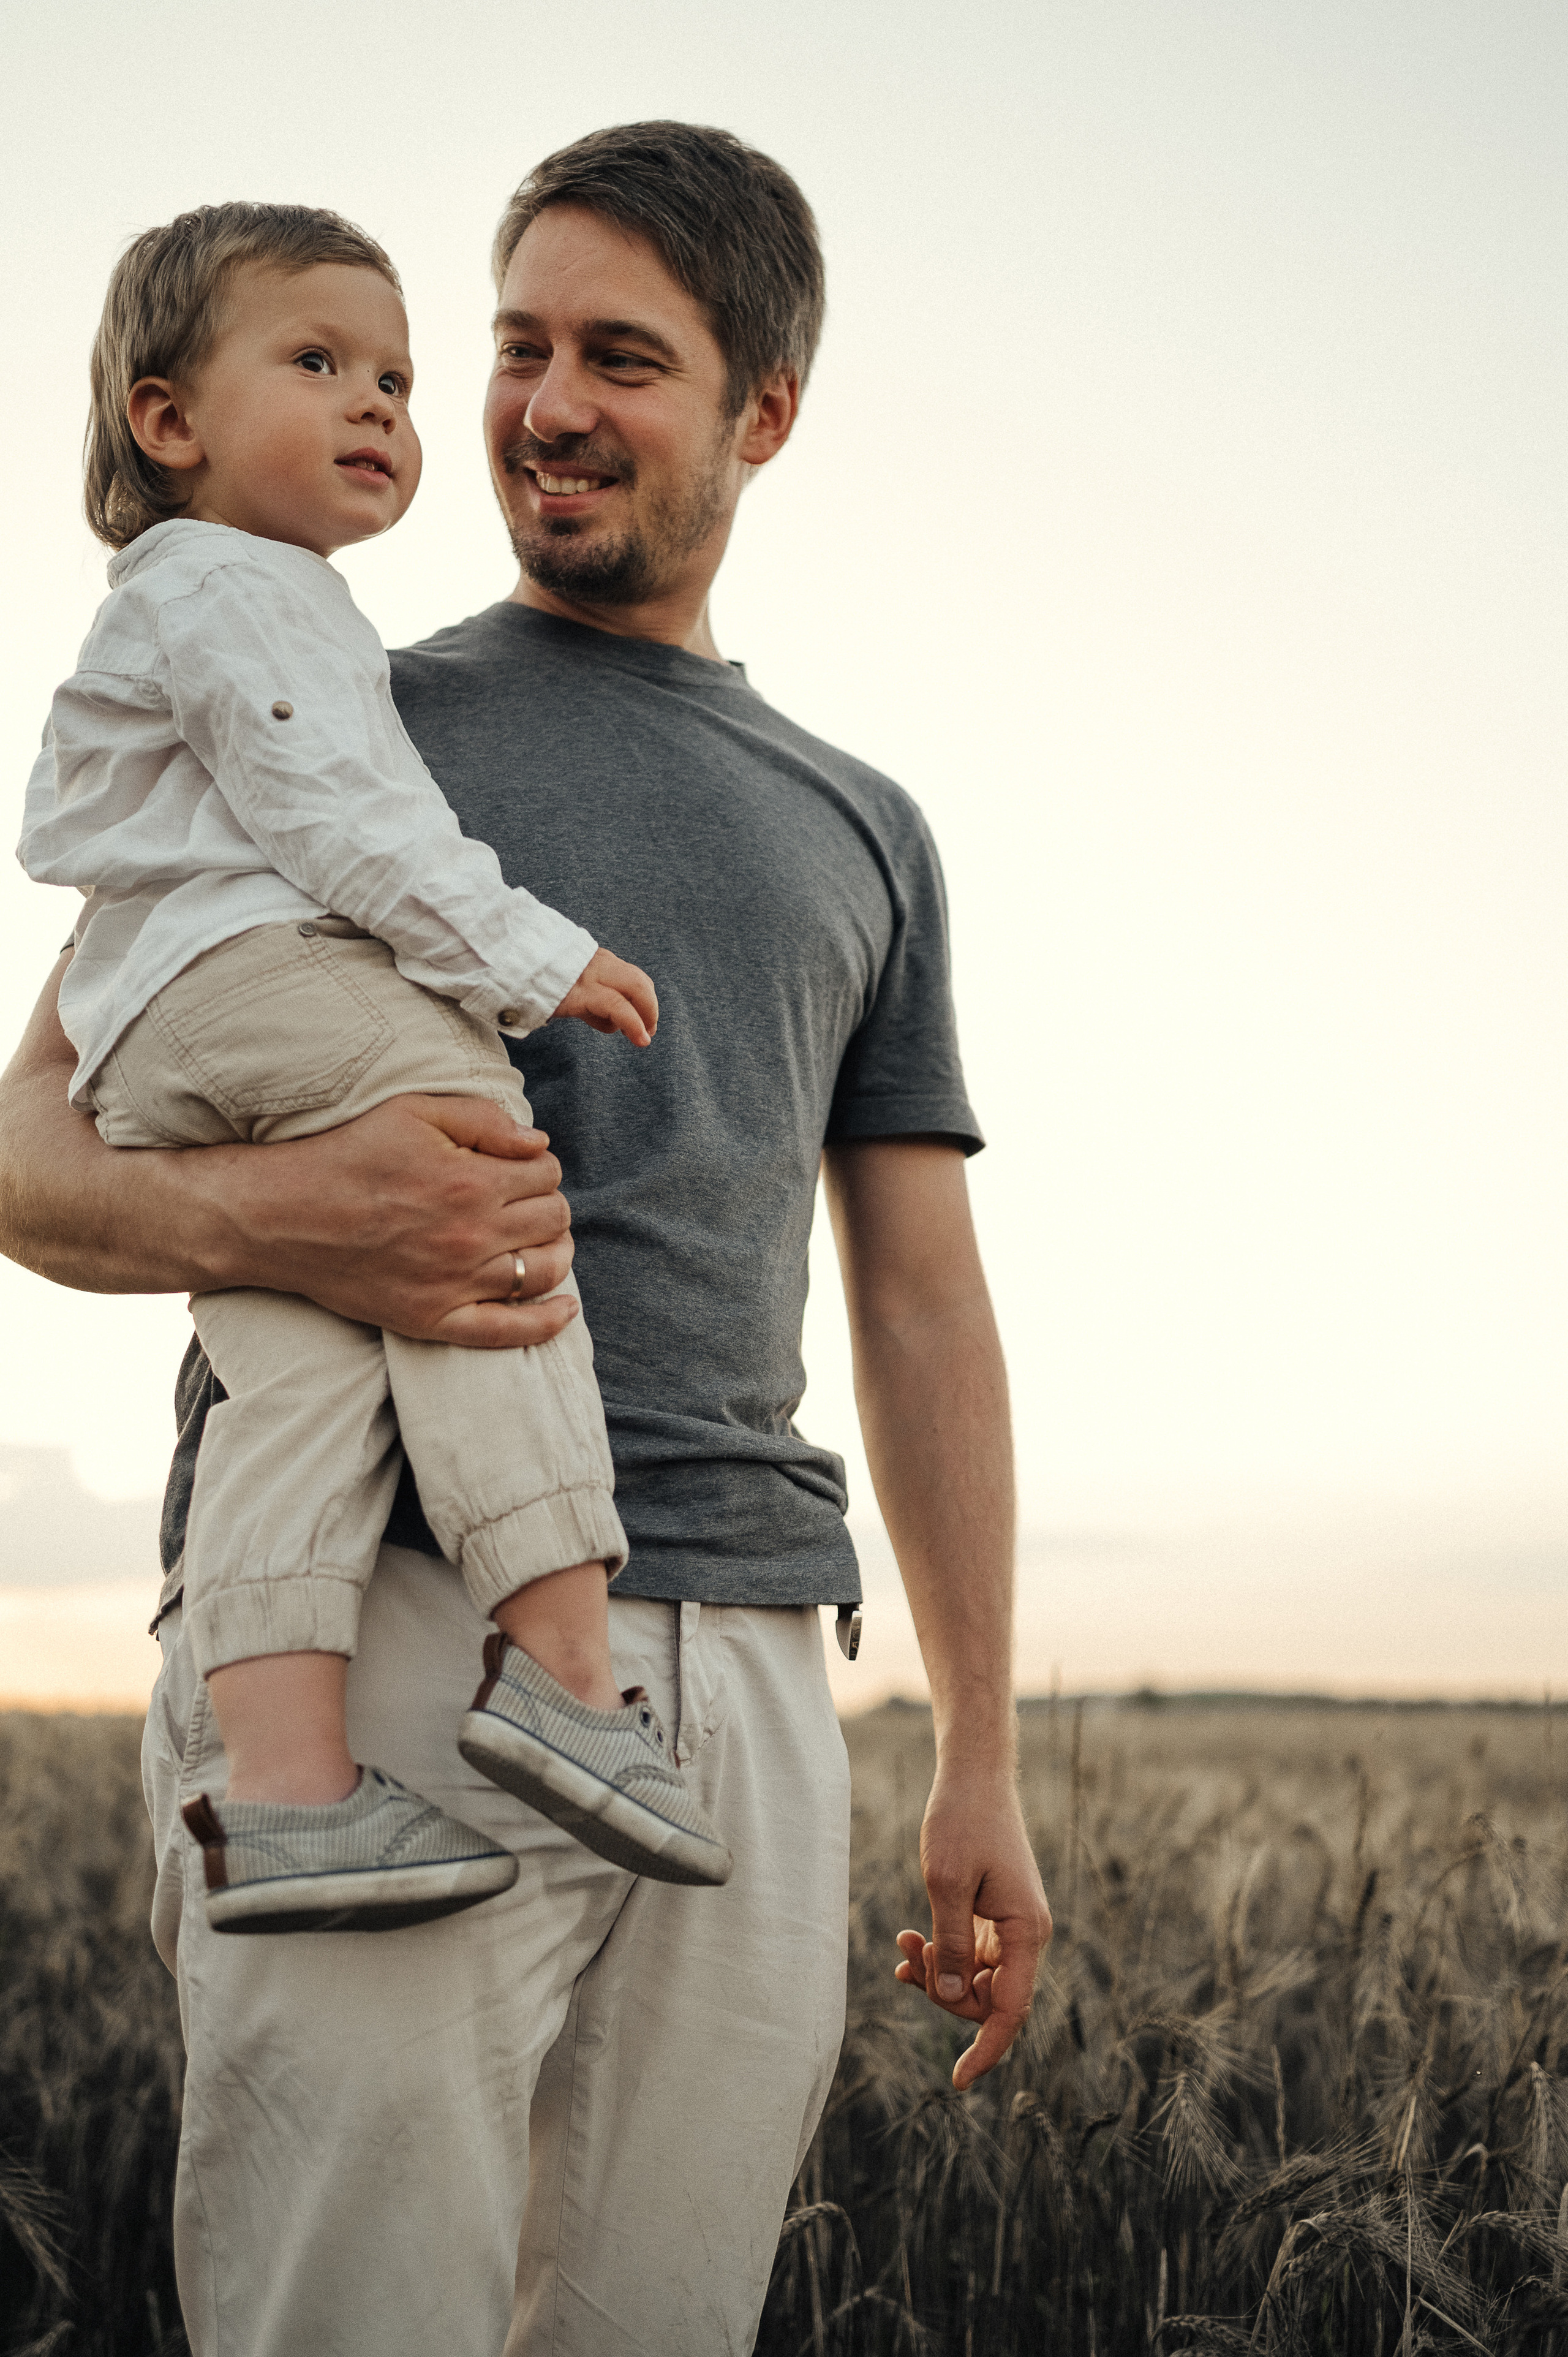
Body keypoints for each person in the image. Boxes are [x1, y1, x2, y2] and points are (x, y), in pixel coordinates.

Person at [0, 122, 1053, 2356]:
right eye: (518, 344)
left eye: (624, 360)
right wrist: (290, 1217)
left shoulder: (868, 825)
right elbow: (33, 1145)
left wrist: (979, 1745)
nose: (544, 404)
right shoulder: (321, 695)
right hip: (377, 1623)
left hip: (752, 1670)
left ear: (763, 412)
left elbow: (923, 1299)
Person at [18, 199, 732, 1922]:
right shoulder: (240, 591)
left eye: (397, 380)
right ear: (167, 421)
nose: (379, 411)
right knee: (476, 1175)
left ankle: (283, 1787)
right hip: (255, 974)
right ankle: (567, 1673)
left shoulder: (220, 598)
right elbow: (342, 819)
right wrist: (529, 960)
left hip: (170, 1023)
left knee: (305, 1372)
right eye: (322, 363)